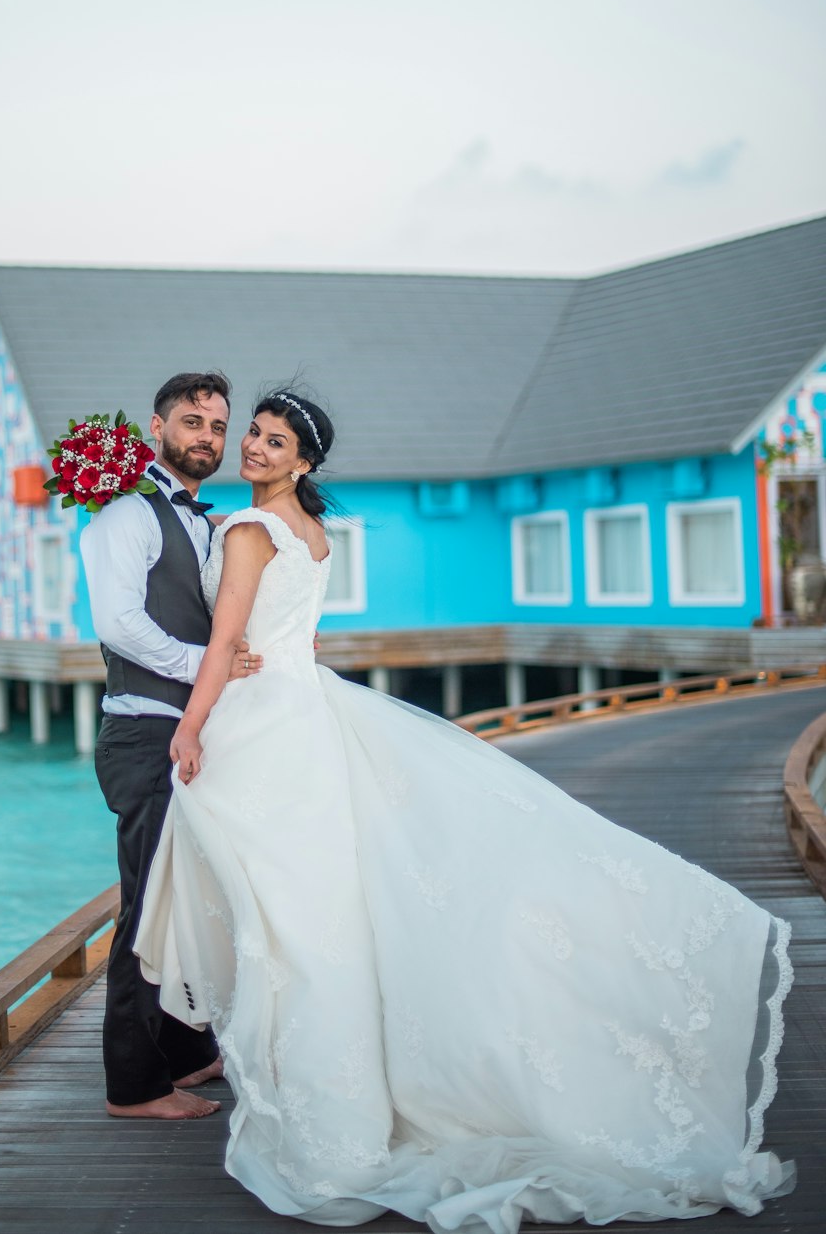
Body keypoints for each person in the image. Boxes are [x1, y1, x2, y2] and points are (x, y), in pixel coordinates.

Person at [134, 388, 795, 1229]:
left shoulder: (248, 530)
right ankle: (333, 1101)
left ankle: (317, 1111)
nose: (254, 449)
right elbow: (287, 636)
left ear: (304, 462)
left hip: (263, 730)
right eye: (253, 436)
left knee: (287, 922)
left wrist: (191, 728)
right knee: (320, 915)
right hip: (310, 717)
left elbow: (227, 642)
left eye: (273, 441)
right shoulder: (313, 534)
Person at [80, 371, 263, 1120]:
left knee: (187, 902)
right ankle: (134, 1084)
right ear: (157, 427)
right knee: (146, 907)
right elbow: (118, 623)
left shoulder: (203, 522)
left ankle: (187, 1052)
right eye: (193, 422)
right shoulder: (127, 516)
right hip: (142, 732)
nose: (208, 438)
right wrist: (204, 666)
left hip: (186, 734)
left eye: (218, 427)